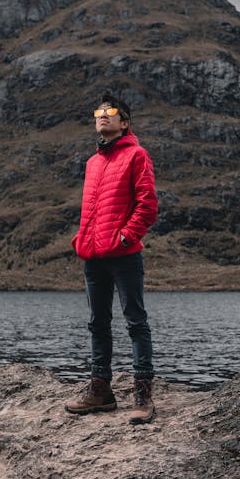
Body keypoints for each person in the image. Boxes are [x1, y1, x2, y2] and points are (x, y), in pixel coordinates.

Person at [66, 92, 158, 424]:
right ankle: (101, 392)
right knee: (97, 323)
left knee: (135, 321)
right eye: (98, 111)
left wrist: (125, 236)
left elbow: (147, 206)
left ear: (125, 122)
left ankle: (143, 397)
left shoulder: (137, 155)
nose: (103, 115)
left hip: (124, 255)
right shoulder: (93, 162)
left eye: (111, 111)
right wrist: (82, 238)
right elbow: (91, 210)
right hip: (93, 255)